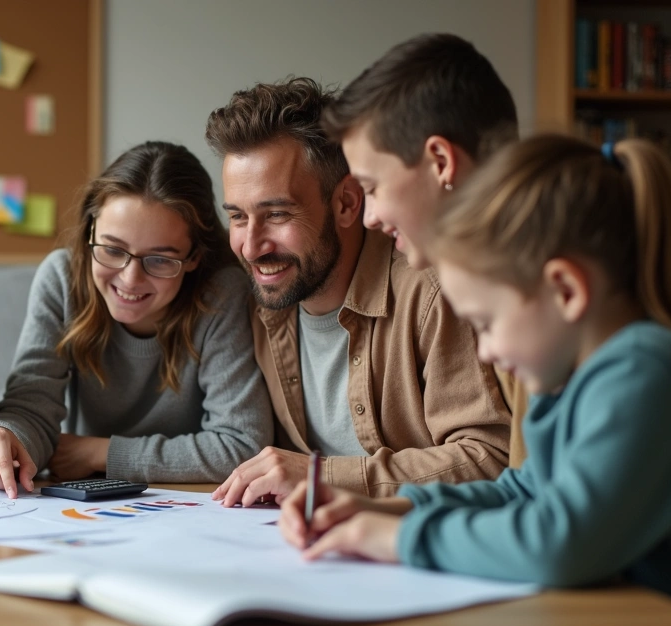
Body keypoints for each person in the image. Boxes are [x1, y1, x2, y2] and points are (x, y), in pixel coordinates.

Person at [279, 136, 671, 621]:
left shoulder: (649, 374)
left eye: (486, 323)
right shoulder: (566, 379)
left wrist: (394, 540)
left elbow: (560, 543)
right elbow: (520, 492)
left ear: (564, 290)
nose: (485, 350)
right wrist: (377, 509)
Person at [205, 78, 511, 507]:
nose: (252, 246)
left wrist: (321, 476)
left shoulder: (431, 290)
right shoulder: (251, 300)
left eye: (276, 214)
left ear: (347, 203)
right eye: (238, 217)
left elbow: (492, 459)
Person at [0, 141, 273, 498]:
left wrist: (100, 452)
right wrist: (5, 437)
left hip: (192, 502)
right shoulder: (63, 279)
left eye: (159, 260)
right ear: (90, 231)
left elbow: (241, 444)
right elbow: (31, 404)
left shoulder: (222, 294)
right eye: (112, 250)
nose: (130, 279)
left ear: (195, 257)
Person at [321, 32, 530, 464]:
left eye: (372, 188)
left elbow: (552, 518)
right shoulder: (503, 286)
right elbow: (525, 490)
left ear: (440, 162)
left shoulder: (543, 306)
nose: (369, 217)